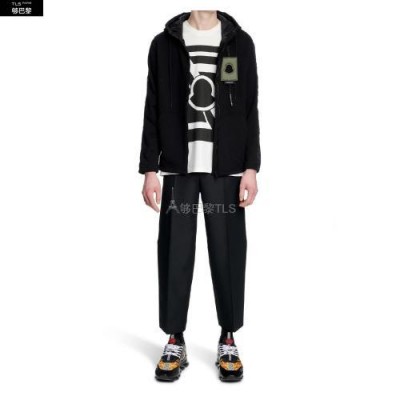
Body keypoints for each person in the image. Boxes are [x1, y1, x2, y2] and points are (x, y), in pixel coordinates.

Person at [139, 10, 261, 382]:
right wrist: (149, 169)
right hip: (178, 168)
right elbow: (152, 106)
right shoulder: (164, 44)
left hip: (226, 169)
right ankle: (175, 339)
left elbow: (250, 106)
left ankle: (228, 337)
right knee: (174, 253)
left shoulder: (239, 43)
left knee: (228, 253)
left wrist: (251, 167)